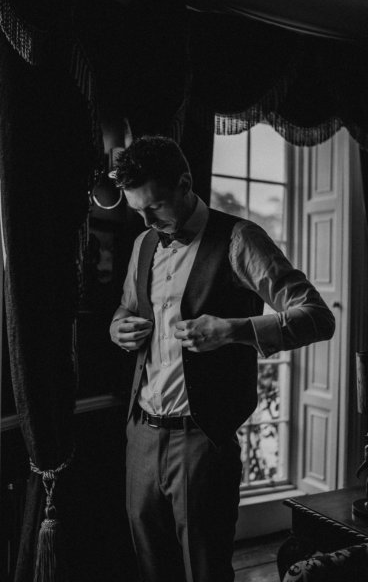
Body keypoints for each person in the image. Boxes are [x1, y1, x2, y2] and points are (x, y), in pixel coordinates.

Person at [109, 135, 335, 582]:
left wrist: (234, 330)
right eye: (137, 210)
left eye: (153, 207)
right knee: (152, 568)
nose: (146, 220)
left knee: (205, 570)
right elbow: (127, 309)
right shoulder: (143, 244)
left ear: (185, 183)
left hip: (202, 439)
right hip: (140, 434)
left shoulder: (240, 239)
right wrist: (117, 327)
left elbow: (317, 318)